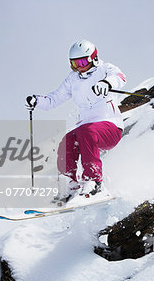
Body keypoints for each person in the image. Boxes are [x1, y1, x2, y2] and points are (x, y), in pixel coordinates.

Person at [25, 39, 126, 201]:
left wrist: (107, 83)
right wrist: (37, 100)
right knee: (68, 140)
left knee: (86, 131)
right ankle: (70, 184)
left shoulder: (105, 69)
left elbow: (120, 77)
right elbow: (54, 99)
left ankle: (94, 181)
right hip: (86, 130)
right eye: (74, 63)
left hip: (110, 128)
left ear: (93, 58)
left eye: (82, 62)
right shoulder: (73, 79)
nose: (78, 67)